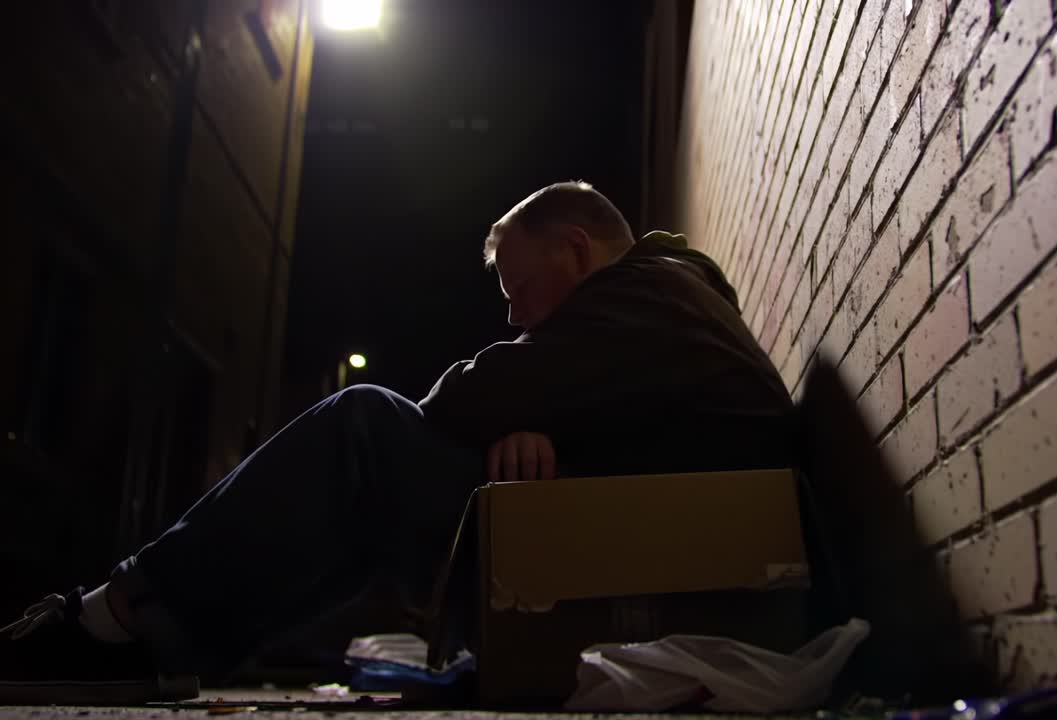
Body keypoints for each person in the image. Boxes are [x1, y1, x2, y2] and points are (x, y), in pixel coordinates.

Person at [0, 182, 796, 704]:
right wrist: (538, 422)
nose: (515, 320)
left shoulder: (647, 291)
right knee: (369, 487)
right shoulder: (671, 304)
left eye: (519, 292)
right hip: (648, 554)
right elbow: (574, 415)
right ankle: (160, 644)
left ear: (577, 252)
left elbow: (461, 400)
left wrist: (522, 407)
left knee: (366, 427)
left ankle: (117, 619)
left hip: (650, 572)